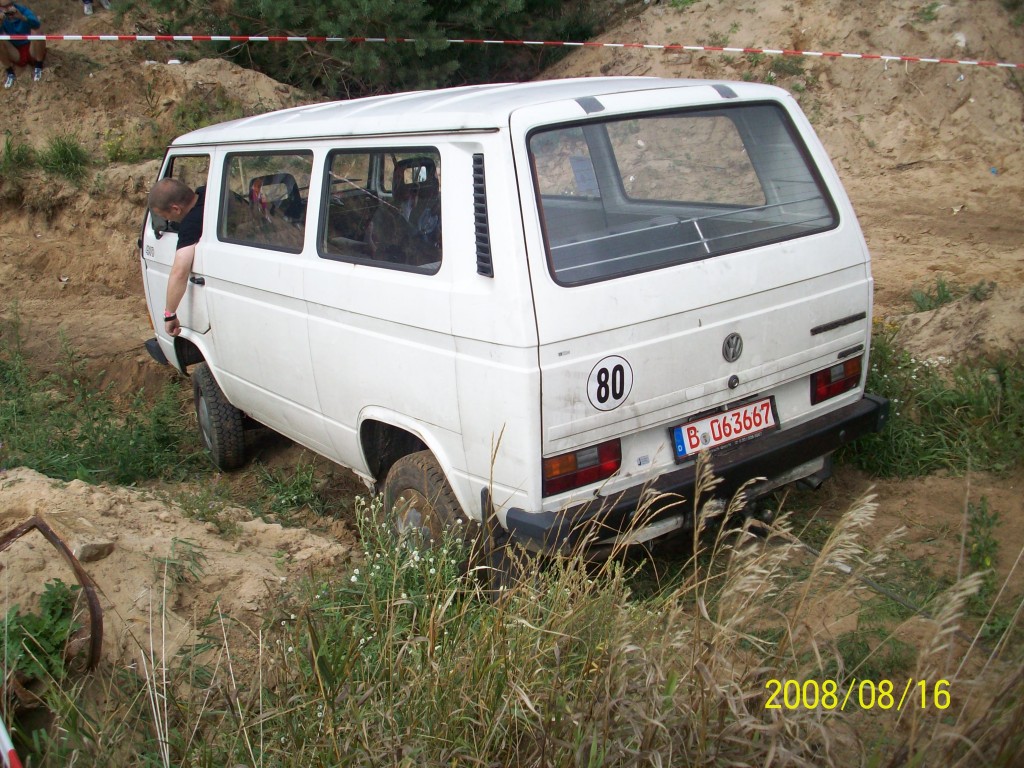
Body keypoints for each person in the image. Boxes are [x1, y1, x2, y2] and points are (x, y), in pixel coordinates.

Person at [147, 178, 205, 337]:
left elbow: (180, 272)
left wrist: (170, 314)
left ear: (176, 209)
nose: (167, 220)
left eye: (165, 215)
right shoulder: (208, 192)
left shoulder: (191, 225)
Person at [0, 0, 45, 88]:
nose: (8, 9)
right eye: (5, 7)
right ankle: (10, 73)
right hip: (16, 52)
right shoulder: (1, 16)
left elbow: (37, 24)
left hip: (31, 48)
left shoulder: (22, 10)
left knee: (37, 31)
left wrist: (22, 17)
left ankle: (39, 66)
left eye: (10, 5)